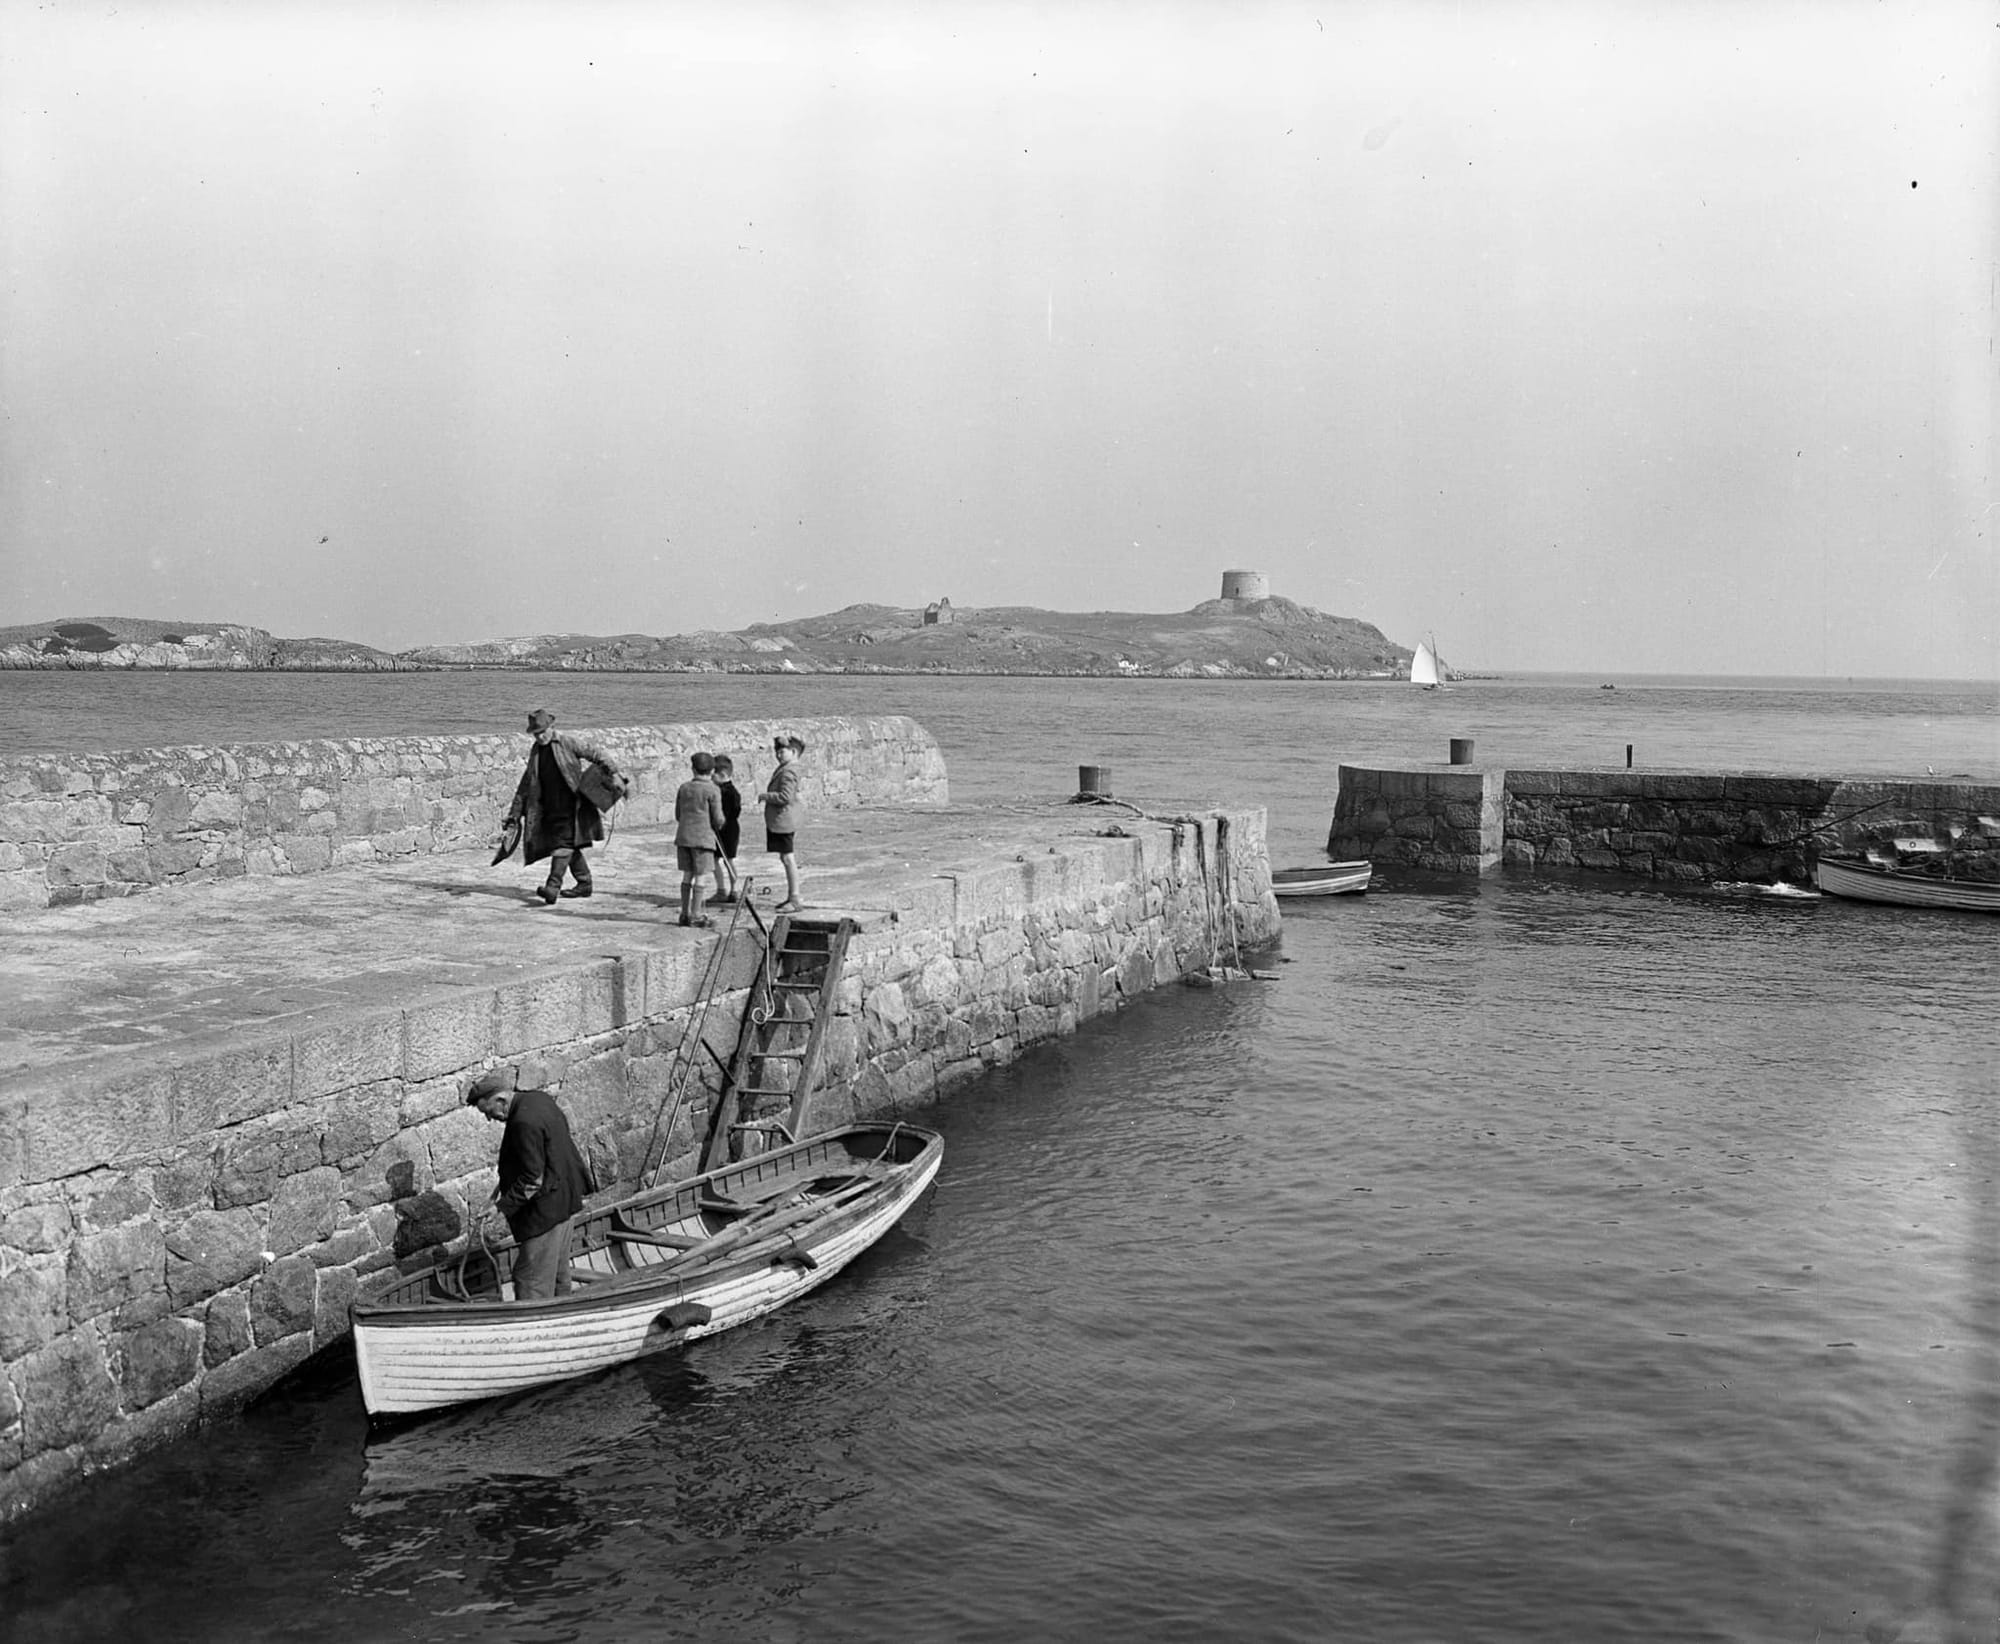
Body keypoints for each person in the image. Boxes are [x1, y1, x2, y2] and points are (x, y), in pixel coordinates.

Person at [464, 1066, 596, 1301]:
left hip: (545, 1212)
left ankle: (536, 1327)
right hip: (566, 1198)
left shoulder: (522, 1123)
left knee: (530, 1279)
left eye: (489, 1112)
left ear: (501, 1099)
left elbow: (532, 1180)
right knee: (557, 1271)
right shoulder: (539, 1099)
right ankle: (562, 1314)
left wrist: (500, 1207)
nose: (489, 1118)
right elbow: (546, 1151)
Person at [505, 708, 626, 906]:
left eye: (542, 731)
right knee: (569, 845)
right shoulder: (536, 751)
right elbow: (527, 782)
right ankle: (584, 883)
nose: (540, 736)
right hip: (550, 808)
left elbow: (595, 753)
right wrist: (515, 813)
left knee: (563, 845)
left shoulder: (568, 742)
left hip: (574, 806)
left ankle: (552, 887)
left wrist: (613, 773)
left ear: (552, 727)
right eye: (536, 733)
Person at [673, 750, 727, 927]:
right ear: (712, 771)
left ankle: (684, 913)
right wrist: (720, 824)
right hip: (703, 839)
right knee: (701, 876)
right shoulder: (713, 790)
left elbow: (678, 815)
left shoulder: (684, 788)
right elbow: (718, 818)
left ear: (693, 769)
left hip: (683, 837)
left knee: (687, 875)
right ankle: (696, 915)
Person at [756, 733, 806, 912]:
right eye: (776, 751)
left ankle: (794, 898)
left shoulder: (789, 771)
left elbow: (785, 796)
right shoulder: (789, 768)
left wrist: (765, 796)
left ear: (793, 751)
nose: (778, 755)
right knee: (786, 857)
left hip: (784, 820)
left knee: (788, 858)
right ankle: (792, 897)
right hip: (784, 819)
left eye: (781, 751)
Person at [711, 754, 743, 904]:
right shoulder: (721, 790)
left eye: (713, 775)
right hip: (724, 828)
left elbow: (734, 811)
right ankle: (722, 890)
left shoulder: (729, 792)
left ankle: (733, 889)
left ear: (722, 774)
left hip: (727, 829)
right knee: (716, 859)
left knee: (727, 860)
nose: (711, 778)